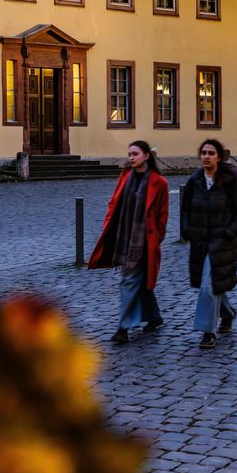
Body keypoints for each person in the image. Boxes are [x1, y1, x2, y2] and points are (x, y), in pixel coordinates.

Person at [87, 140, 169, 345]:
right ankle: (155, 317)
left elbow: (162, 216)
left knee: (128, 281)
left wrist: (155, 239)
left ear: (146, 156)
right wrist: (108, 223)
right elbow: (114, 201)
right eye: (130, 154)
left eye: (135, 154)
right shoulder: (126, 176)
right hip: (123, 237)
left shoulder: (159, 182)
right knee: (140, 282)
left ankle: (123, 328)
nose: (131, 157)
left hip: (143, 242)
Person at [179, 138, 237, 350]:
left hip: (222, 244)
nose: (207, 157)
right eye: (204, 153)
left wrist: (229, 232)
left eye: (211, 153)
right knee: (213, 284)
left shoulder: (230, 183)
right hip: (200, 242)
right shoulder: (195, 182)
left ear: (219, 157)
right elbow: (185, 210)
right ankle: (227, 313)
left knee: (209, 286)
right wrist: (187, 230)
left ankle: (207, 332)